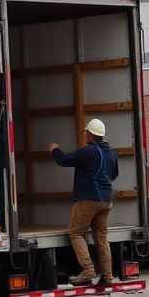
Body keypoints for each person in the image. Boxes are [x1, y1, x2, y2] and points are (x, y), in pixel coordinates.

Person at [48, 118, 119, 287]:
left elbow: (63, 160)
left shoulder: (87, 152)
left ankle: (88, 270)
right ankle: (107, 276)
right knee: (101, 237)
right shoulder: (112, 153)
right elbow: (113, 175)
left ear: (91, 134)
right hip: (106, 200)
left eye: (87, 132)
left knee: (76, 233)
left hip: (88, 199)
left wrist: (54, 149)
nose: (85, 134)